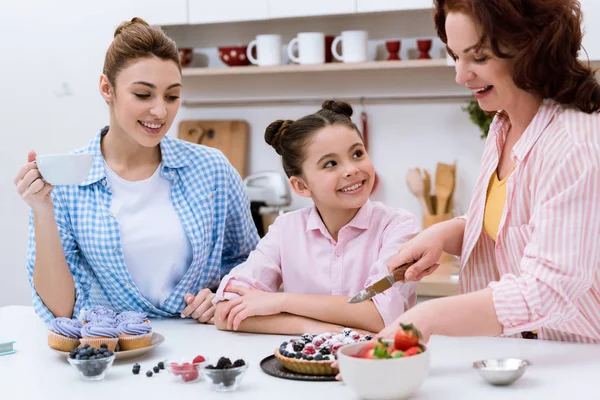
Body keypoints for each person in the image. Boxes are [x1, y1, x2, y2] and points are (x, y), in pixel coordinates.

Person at [13, 18, 259, 324]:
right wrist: (42, 211)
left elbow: (252, 263)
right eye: (143, 95)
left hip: (201, 348)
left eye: (171, 96)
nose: (160, 111)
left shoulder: (211, 169)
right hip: (111, 350)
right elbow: (61, 310)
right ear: (107, 88)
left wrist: (224, 292)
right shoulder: (67, 181)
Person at [381, 0, 600, 343]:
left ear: (533, 50)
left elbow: (550, 288)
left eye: (479, 58)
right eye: (456, 56)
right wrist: (443, 235)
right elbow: (511, 224)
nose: (460, 75)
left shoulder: (574, 145)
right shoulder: (503, 126)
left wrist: (428, 316)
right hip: (536, 354)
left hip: (586, 361)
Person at [213, 100, 419, 335]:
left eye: (357, 153)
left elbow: (381, 316)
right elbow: (226, 312)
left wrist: (282, 302)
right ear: (301, 186)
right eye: (330, 163)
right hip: (297, 365)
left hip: (375, 364)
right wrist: (318, 329)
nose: (351, 169)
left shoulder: (397, 226)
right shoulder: (286, 229)